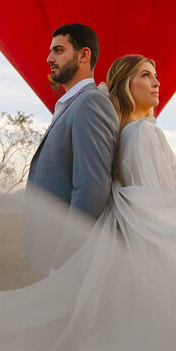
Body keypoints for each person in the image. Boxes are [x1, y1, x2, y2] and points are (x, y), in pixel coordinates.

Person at [22, 23, 119, 275]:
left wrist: (64, 261)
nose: (48, 58)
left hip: (66, 262)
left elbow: (91, 191)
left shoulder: (90, 103)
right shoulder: (70, 105)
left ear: (84, 55)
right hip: (49, 252)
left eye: (58, 50)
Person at [102, 54, 176, 190]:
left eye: (155, 76)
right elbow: (154, 197)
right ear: (125, 84)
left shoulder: (120, 135)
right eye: (145, 75)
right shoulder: (143, 130)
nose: (157, 83)